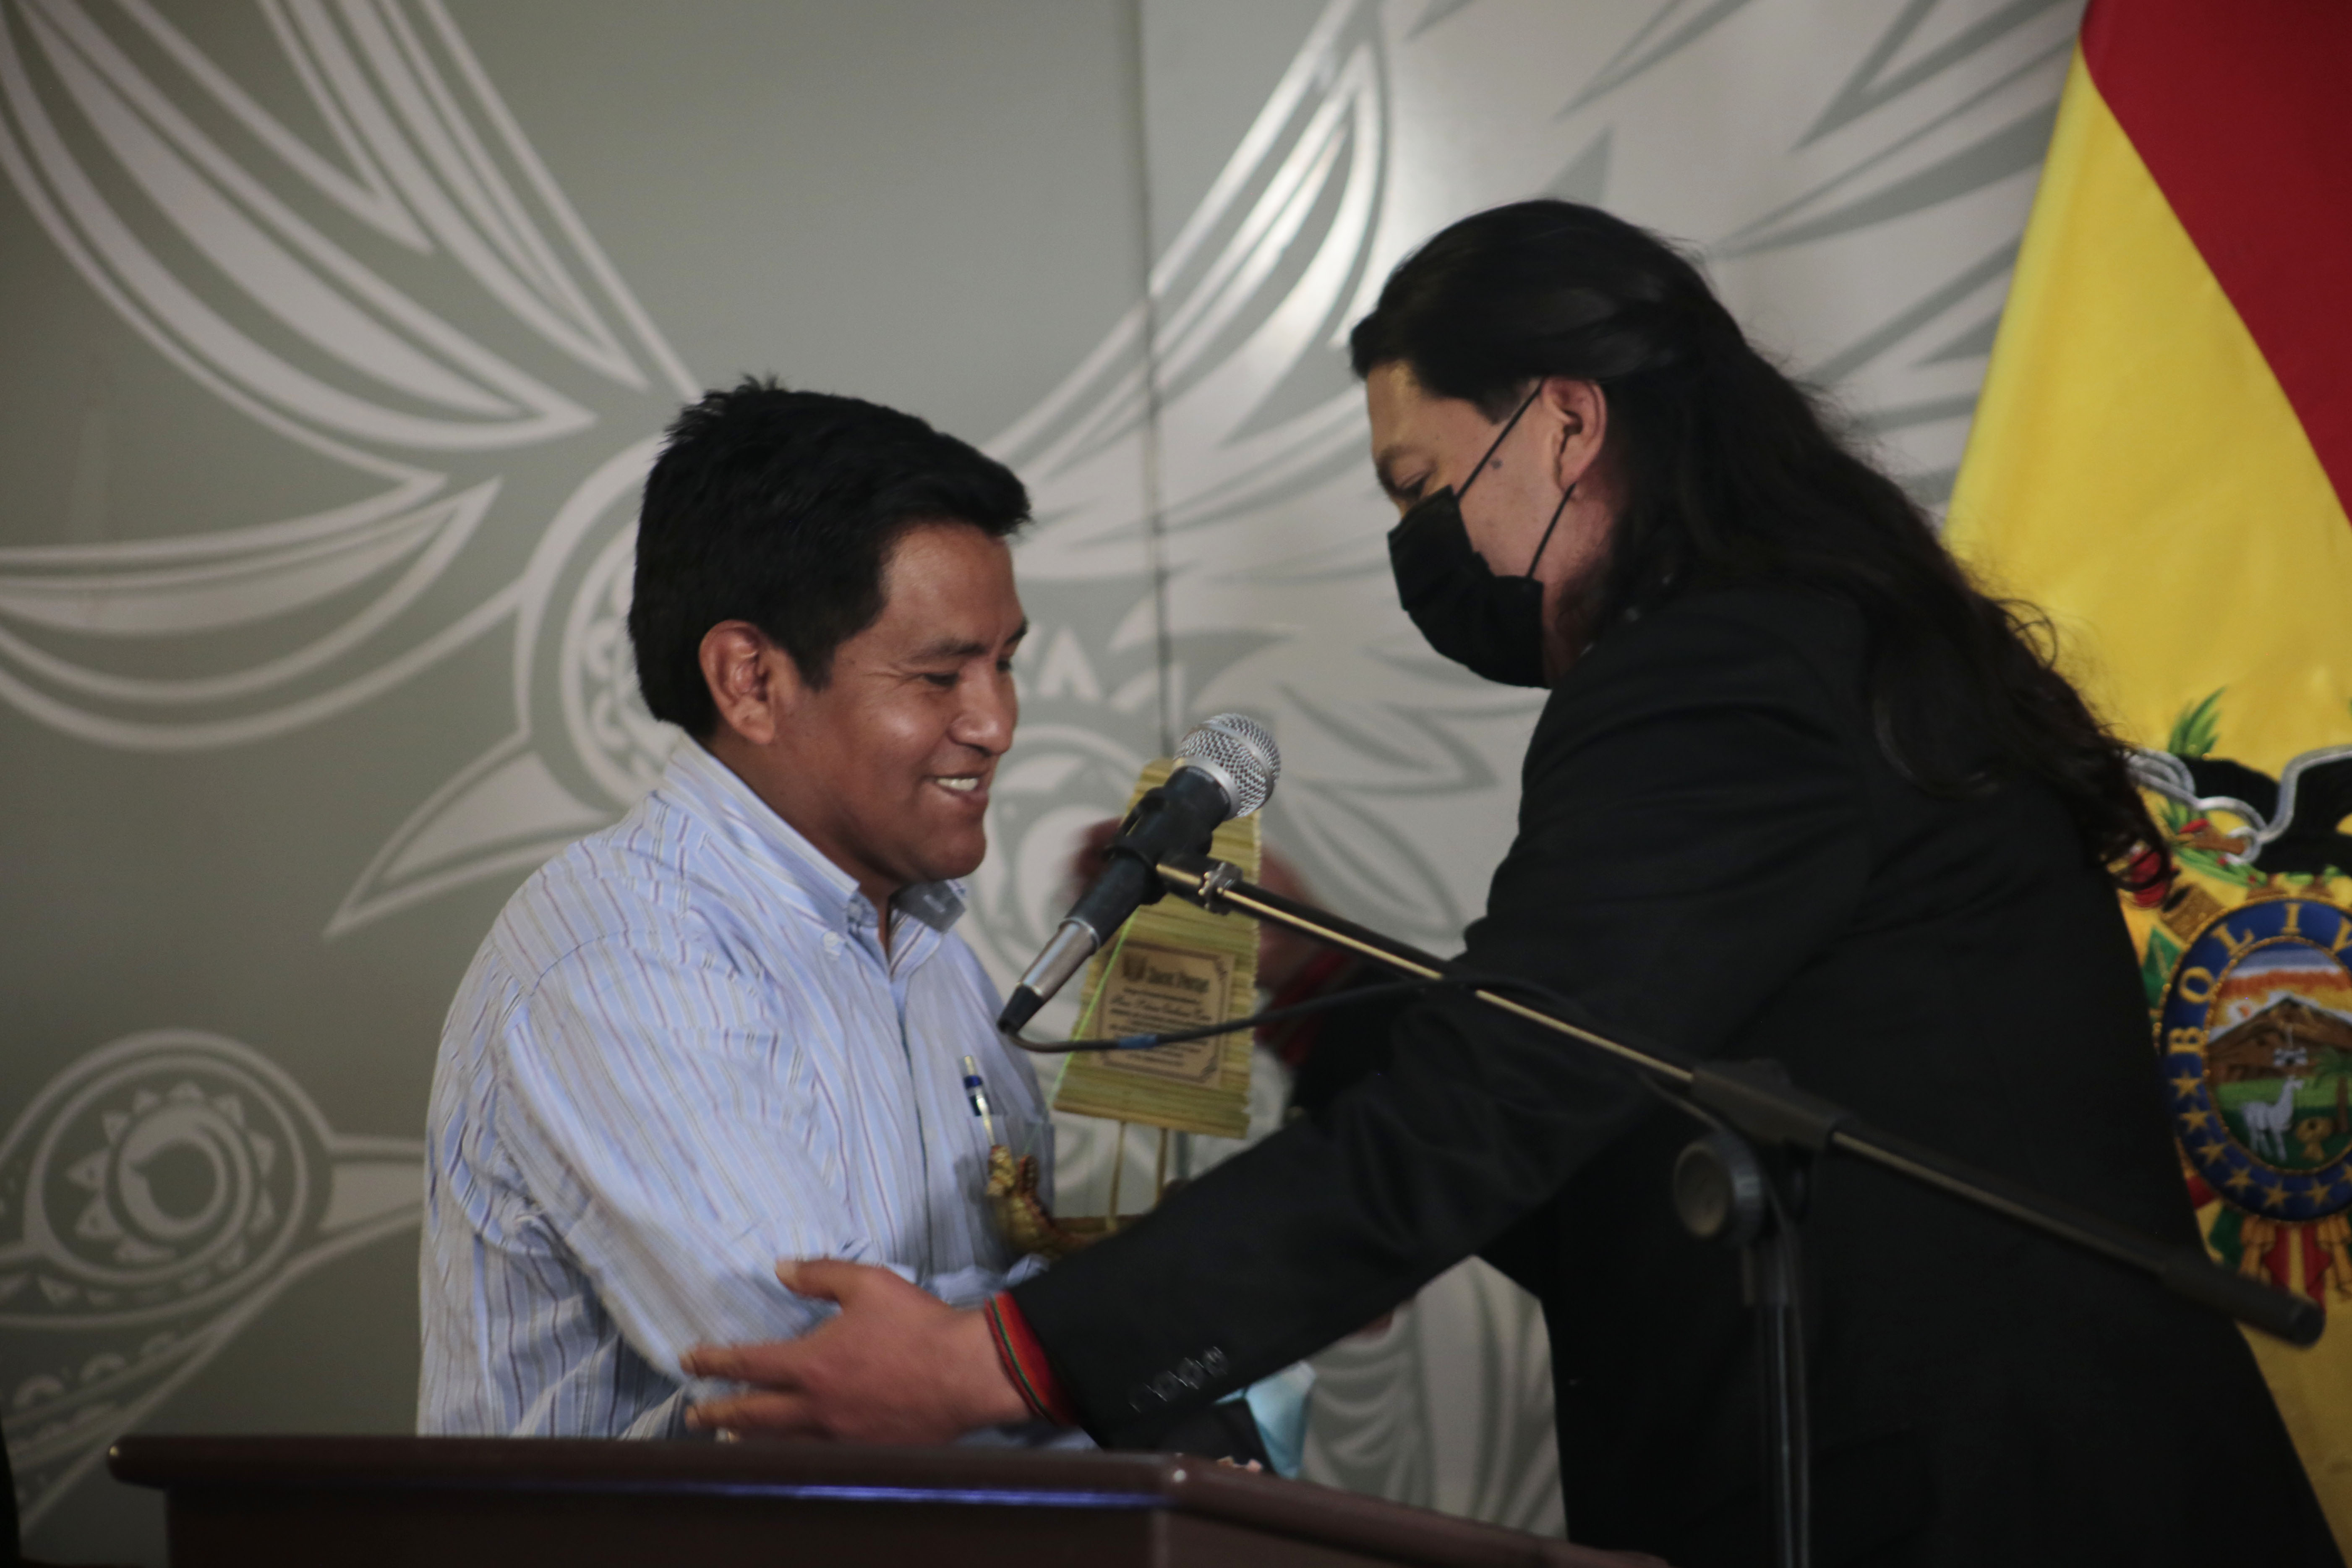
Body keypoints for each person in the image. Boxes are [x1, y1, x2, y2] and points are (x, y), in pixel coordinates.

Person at [676, 206, 2339, 1565]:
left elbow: (1500, 1106)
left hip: (1986, 1506)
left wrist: (997, 1358)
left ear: (1564, 419)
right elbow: (1616, 1141)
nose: (1424, 547)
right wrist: (1315, 994)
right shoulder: (1810, 633)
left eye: (1423, 488)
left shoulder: (1717, 678)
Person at [415, 381, 1055, 1438]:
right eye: (941, 676)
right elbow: (835, 1379)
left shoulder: (933, 953)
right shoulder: (625, 952)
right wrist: (1138, 1343)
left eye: (1006, 664)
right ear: (750, 680)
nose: (996, 723)